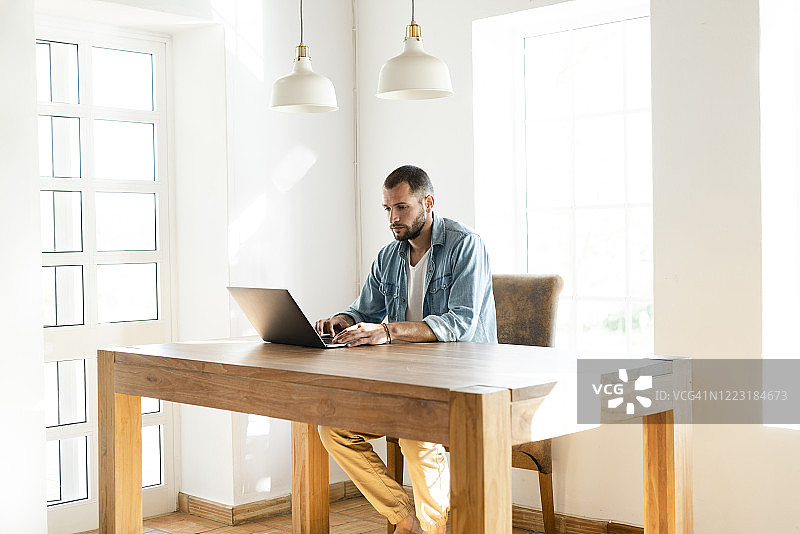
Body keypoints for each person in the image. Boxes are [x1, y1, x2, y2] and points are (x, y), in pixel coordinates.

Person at [314, 165, 497, 534]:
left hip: (462, 379)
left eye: (402, 207)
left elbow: (459, 322)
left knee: (416, 432)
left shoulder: (465, 246)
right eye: (387, 209)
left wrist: (387, 331)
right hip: (406, 380)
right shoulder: (389, 256)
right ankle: (405, 518)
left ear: (427, 203)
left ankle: (433, 529)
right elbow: (362, 309)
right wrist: (340, 320)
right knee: (333, 428)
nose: (393, 218)